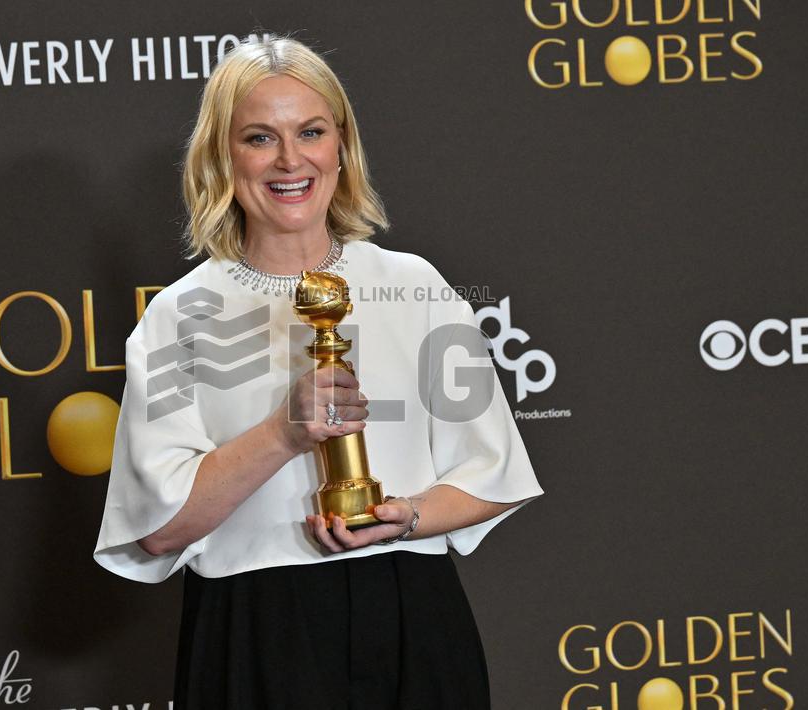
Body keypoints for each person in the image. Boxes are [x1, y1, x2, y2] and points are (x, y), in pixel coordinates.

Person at [94, 34, 544, 709]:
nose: (290, 160)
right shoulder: (179, 316)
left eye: (310, 131)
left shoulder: (413, 285)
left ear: (342, 145)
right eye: (258, 138)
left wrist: (407, 517)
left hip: (413, 622)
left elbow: (494, 478)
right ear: (222, 155)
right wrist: (282, 433)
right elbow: (158, 529)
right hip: (253, 631)